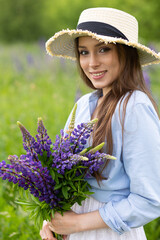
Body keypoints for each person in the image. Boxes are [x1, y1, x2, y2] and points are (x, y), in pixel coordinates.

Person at [40, 7, 160, 240]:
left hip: (110, 233)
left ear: (125, 54)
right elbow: (63, 171)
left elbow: (150, 200)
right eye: (84, 52)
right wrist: (53, 220)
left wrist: (77, 223)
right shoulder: (84, 104)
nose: (92, 63)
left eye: (103, 50)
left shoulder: (134, 106)